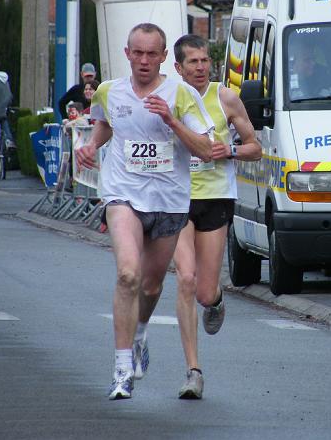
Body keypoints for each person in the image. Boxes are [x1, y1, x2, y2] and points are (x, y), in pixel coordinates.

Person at [74, 23, 214, 401]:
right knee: (127, 274)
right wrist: (91, 145)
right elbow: (106, 124)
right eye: (137, 53)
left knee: (151, 286)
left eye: (152, 54)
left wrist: (171, 120)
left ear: (164, 57)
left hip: (169, 201)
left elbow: (205, 150)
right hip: (123, 193)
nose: (144, 60)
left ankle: (139, 333)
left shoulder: (181, 94)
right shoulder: (108, 91)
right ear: (127, 54)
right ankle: (121, 371)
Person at [171, 35, 261, 399]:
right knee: (185, 278)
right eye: (192, 62)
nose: (200, 67)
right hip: (178, 198)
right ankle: (193, 371)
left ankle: (217, 300)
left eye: (204, 60)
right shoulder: (170, 99)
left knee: (205, 291)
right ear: (178, 68)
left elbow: (256, 148)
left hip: (216, 197)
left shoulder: (226, 98)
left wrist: (232, 151)